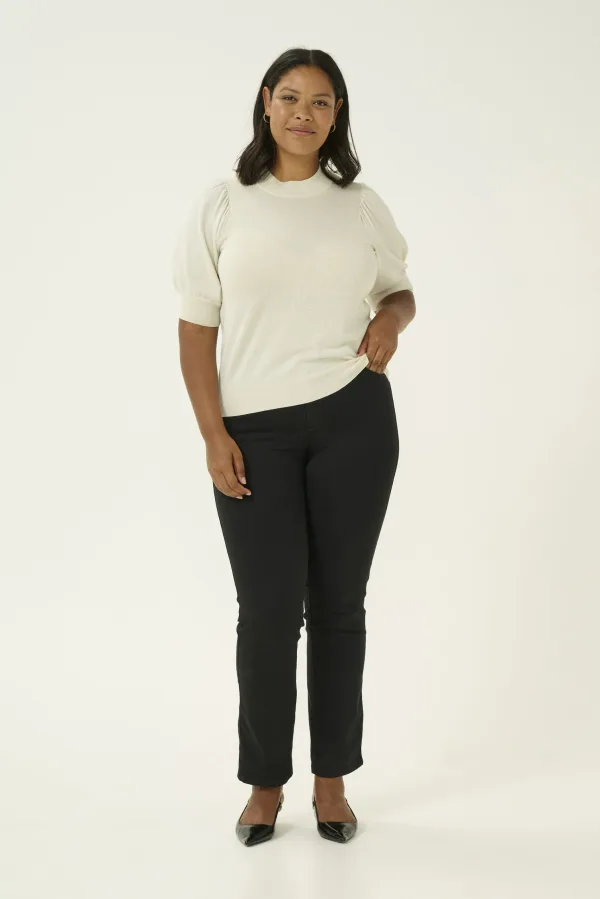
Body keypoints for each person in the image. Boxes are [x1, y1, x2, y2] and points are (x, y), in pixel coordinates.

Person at [171, 48, 416, 846]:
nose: (303, 113)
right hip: (253, 431)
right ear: (265, 103)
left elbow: (399, 288)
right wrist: (213, 433)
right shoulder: (223, 203)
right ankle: (265, 784)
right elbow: (196, 327)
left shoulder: (360, 205)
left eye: (321, 101)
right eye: (290, 97)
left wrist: (390, 320)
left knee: (339, 605)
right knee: (269, 610)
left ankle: (332, 782)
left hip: (354, 419)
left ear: (338, 114)